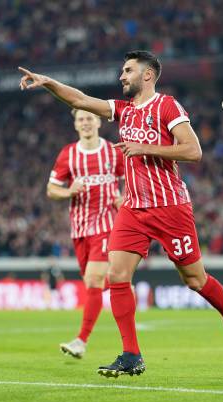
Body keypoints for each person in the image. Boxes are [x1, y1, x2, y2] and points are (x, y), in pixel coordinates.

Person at [19, 50, 223, 377]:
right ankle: (131, 354)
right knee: (117, 276)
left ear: (147, 75)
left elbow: (193, 151)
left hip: (170, 207)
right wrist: (47, 82)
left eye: (127, 71)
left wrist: (145, 148)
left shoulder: (167, 106)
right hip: (133, 209)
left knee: (194, 279)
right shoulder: (123, 111)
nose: (121, 76)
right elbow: (82, 99)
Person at [47, 108, 124, 358]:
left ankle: (81, 340)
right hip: (79, 229)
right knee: (96, 284)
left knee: (92, 280)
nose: (86, 122)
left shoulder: (113, 152)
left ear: (99, 122)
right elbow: (51, 189)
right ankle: (122, 283)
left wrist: (124, 198)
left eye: (90, 118)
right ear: (76, 125)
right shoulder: (68, 155)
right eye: (81, 119)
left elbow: (131, 179)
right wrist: (69, 191)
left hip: (106, 226)